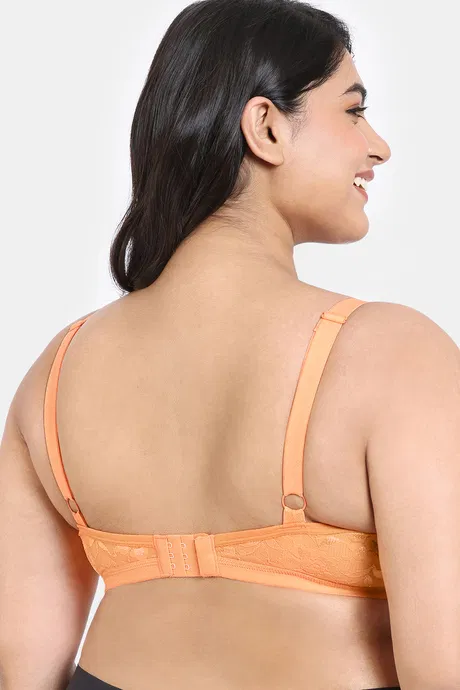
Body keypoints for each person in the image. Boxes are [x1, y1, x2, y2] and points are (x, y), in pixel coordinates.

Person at [1, 1, 458, 689]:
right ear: (266, 127)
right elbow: (446, 666)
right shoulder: (394, 356)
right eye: (354, 111)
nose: (378, 147)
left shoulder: (56, 373)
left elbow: (22, 669)